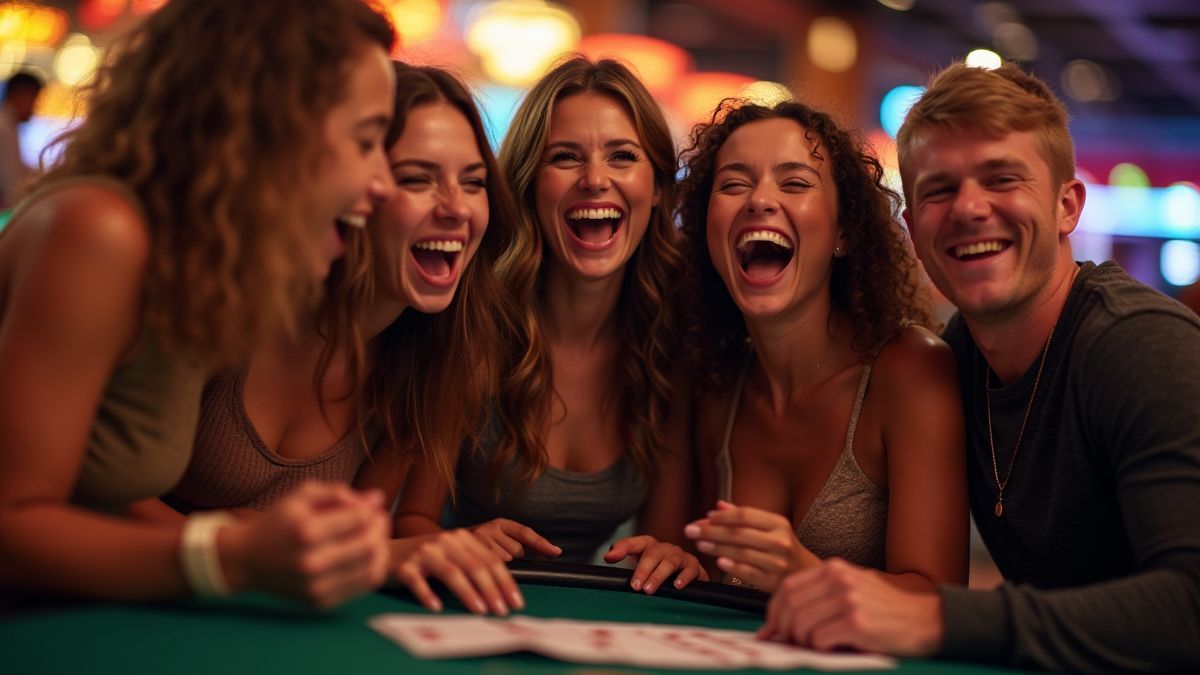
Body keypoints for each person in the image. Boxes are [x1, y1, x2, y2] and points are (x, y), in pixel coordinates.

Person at [762, 62, 1200, 672]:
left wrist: (938, 617)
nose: (968, 209)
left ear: (1067, 206)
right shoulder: (952, 357)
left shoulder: (1138, 346)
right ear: (912, 230)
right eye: (939, 190)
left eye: (1001, 179)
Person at [0, 0, 399, 609]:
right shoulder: (101, 231)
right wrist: (231, 555)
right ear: (269, 130)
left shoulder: (203, 273)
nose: (383, 183)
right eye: (366, 141)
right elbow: (10, 527)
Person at [159, 62, 524, 616]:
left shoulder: (437, 354)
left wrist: (413, 548)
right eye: (417, 179)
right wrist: (249, 541)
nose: (455, 208)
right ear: (353, 186)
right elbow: (100, 496)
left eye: (473, 183)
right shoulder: (228, 307)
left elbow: (347, 538)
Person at [394, 56, 704, 595]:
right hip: (457, 601)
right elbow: (410, 523)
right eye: (564, 157)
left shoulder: (672, 336)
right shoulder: (472, 315)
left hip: (590, 623)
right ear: (527, 183)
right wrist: (456, 545)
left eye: (623, 156)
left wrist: (666, 555)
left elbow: (656, 548)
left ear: (656, 188)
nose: (595, 180)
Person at [675, 99, 967, 594]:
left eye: (794, 183)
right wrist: (672, 560)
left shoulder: (911, 371)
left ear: (844, 231)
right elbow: (697, 575)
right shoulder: (714, 383)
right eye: (733, 184)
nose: (759, 200)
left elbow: (939, 597)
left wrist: (805, 577)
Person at [0, 71, 43, 209]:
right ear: (21, 95)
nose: (35, 108)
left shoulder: (8, 125)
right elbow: (11, 182)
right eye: (35, 100)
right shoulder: (3, 129)